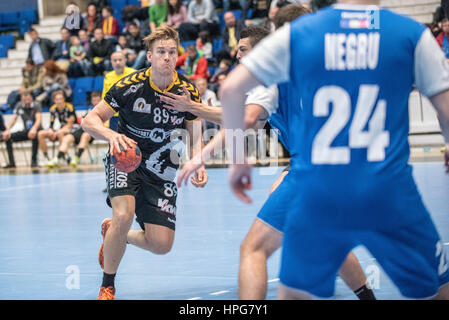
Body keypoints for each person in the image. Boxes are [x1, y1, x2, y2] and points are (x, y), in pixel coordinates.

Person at [219, 0, 449, 300]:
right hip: (387, 189)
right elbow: (444, 111)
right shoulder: (411, 34)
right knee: (438, 288)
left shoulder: (300, 34)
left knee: (289, 288)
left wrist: (238, 162)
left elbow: (230, 91)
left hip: (320, 189)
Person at [163, 21, 375, 300]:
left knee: (253, 248)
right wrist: (194, 108)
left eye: (242, 50)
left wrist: (198, 156)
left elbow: (244, 120)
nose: (237, 56)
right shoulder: (292, 69)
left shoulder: (268, 78)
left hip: (313, 169)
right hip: (339, 162)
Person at [81, 25, 208, 300]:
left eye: (171, 52)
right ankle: (107, 285)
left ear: (177, 56)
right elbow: (88, 121)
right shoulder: (129, 86)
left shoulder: (187, 91)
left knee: (161, 245)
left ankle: (113, 231)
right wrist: (112, 134)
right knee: (124, 215)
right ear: (149, 56)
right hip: (125, 159)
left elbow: (195, 133)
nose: (167, 57)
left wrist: (198, 161)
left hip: (161, 169)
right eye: (160, 51)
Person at [46, 91, 101, 168]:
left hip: (91, 131)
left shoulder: (103, 111)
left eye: (97, 101)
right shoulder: (90, 110)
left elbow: (70, 124)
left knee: (85, 136)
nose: (95, 103)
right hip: (80, 130)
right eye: (94, 100)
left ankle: (75, 158)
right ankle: (57, 159)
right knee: (66, 139)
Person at [0, 91, 42, 168]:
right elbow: (14, 119)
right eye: (24, 98)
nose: (26, 100)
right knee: (8, 137)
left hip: (37, 130)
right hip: (26, 131)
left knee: (35, 135)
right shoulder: (19, 105)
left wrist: (34, 129)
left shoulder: (36, 105)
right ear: (21, 99)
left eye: (28, 98)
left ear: (31, 98)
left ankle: (34, 161)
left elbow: (38, 119)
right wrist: (8, 130)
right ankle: (12, 163)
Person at [38, 90, 76, 163]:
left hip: (72, 128)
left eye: (61, 99)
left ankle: (61, 157)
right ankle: (46, 158)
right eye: (57, 99)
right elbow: (51, 124)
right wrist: (50, 130)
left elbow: (70, 124)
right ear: (54, 100)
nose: (59, 101)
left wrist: (58, 131)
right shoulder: (53, 109)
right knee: (40, 133)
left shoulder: (70, 107)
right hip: (60, 129)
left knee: (60, 133)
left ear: (64, 99)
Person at [102, 51, 136, 131]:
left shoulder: (133, 73)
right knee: (115, 140)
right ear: (111, 62)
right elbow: (105, 97)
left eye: (120, 60)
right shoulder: (108, 76)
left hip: (130, 114)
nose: (118, 62)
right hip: (114, 115)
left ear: (125, 60)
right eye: (115, 60)